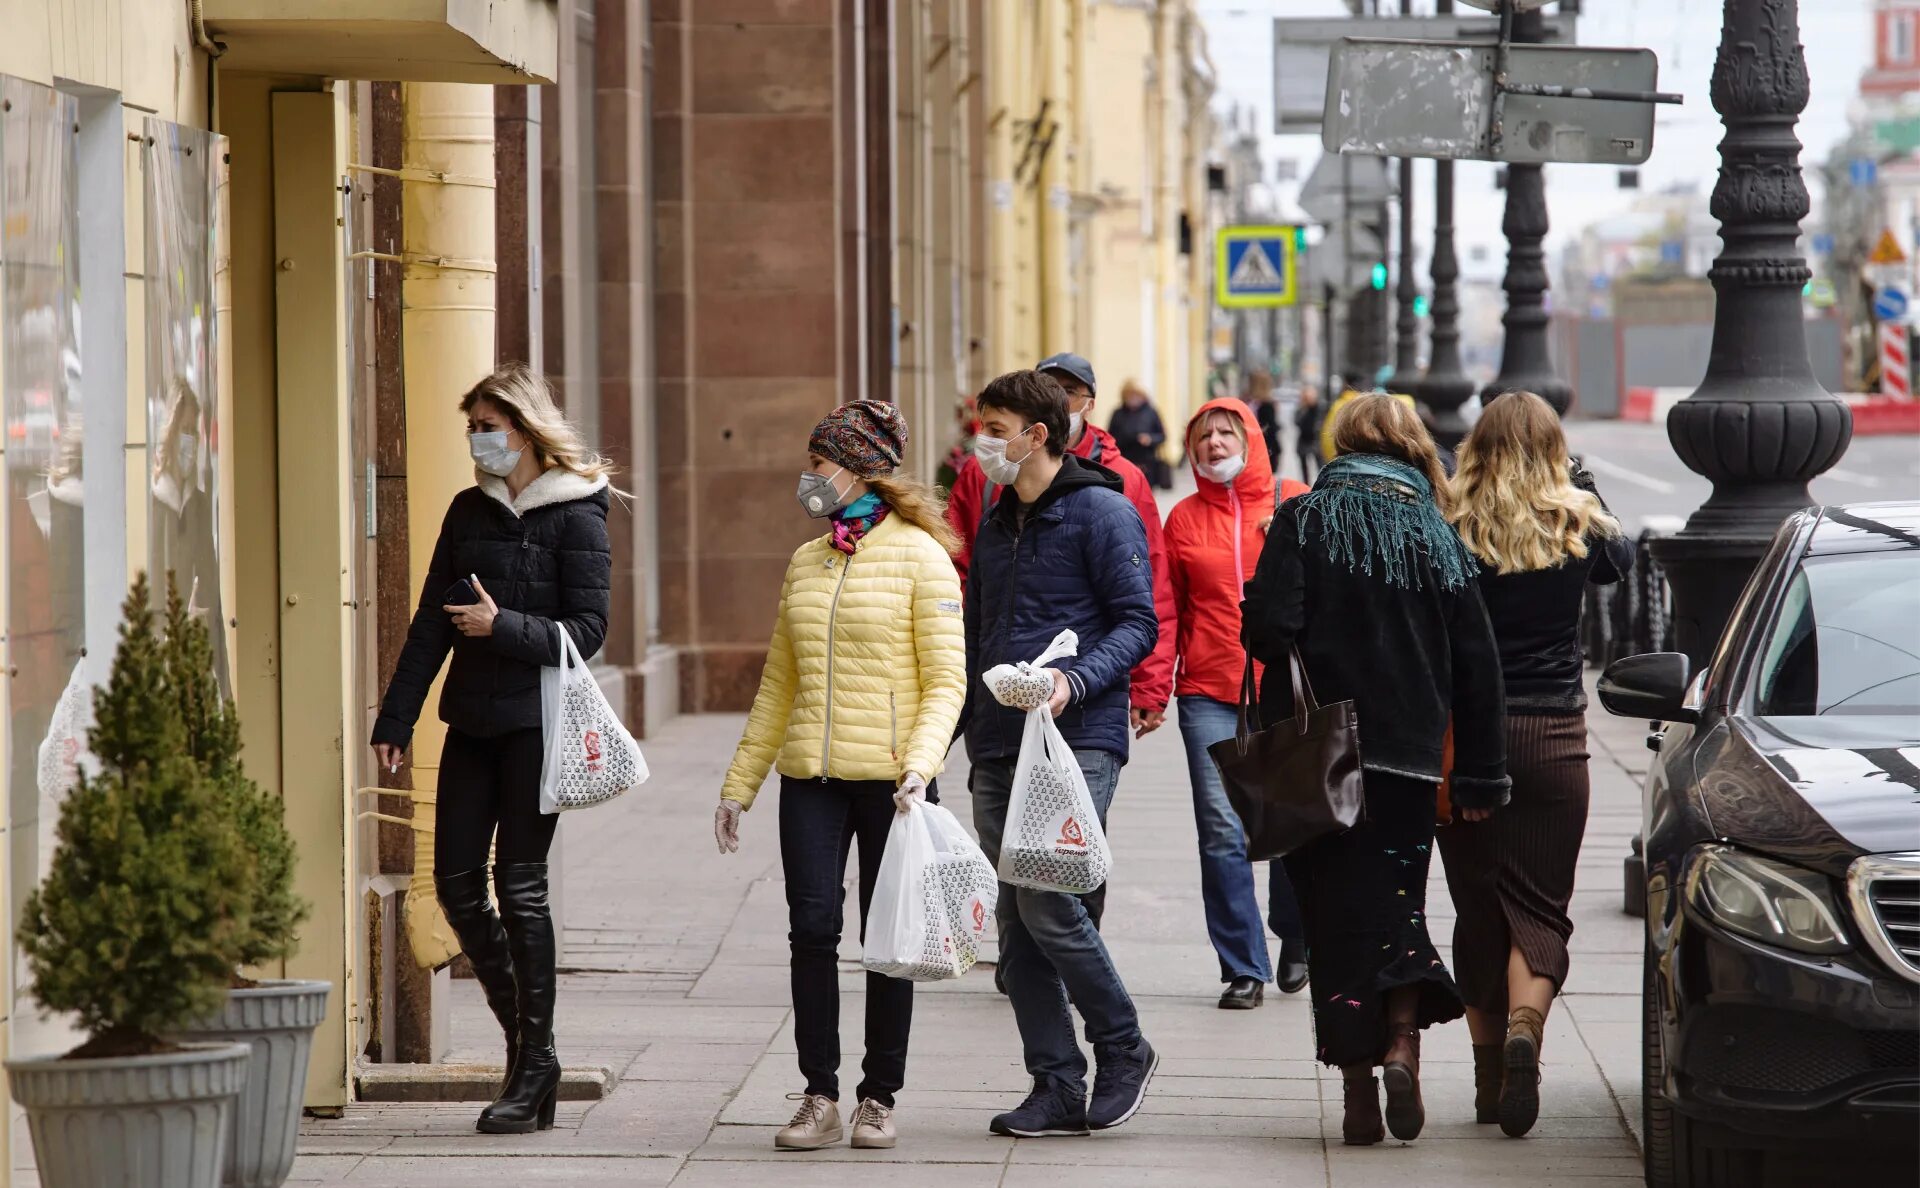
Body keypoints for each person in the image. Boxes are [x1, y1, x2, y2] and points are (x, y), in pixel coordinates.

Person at [1241, 393, 1509, 1148]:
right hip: (1409, 760)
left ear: (1343, 441)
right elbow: (1477, 668)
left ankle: (1358, 1091)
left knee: (1330, 916)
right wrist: (1482, 777)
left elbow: (1270, 632)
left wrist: (1261, 601)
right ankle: (1402, 1045)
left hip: (1319, 755)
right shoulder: (1436, 532)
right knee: (1399, 904)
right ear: (1413, 444)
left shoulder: (1303, 518)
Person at [713, 400, 967, 1153]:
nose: (808, 477)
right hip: (811, 781)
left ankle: (877, 1096)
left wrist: (921, 767)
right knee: (812, 931)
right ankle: (818, 1093)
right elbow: (777, 686)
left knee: (886, 940)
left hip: (893, 783)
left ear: (860, 468)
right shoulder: (808, 561)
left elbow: (944, 681)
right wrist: (739, 785)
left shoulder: (922, 556)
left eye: (819, 463)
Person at [371, 363, 614, 1135]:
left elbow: (589, 631)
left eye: (488, 426)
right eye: (471, 427)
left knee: (521, 888)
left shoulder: (578, 515)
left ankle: (533, 1062)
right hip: (470, 721)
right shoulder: (466, 510)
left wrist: (502, 625)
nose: (479, 441)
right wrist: (395, 719)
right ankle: (532, 1051)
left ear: (526, 429)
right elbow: (430, 622)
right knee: (453, 886)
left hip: (537, 726)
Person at [964, 369, 1160, 1138]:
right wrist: (927, 747)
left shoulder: (1101, 512)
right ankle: (1054, 1084)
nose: (982, 444)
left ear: (1036, 435)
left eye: (994, 428)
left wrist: (1072, 683)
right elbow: (978, 638)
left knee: (1049, 899)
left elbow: (1136, 623)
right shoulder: (993, 517)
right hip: (998, 743)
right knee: (1016, 936)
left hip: (1077, 738)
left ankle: (1122, 1044)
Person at [1438, 391, 1632, 1139]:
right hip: (1555, 738)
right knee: (1541, 907)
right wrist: (1577, 476)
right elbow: (1619, 565)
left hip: (1470, 744)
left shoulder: (1452, 523)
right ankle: (1528, 1023)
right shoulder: (1576, 518)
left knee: (1480, 909)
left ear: (1476, 445)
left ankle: (1491, 1084)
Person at [946, 353, 1176, 751]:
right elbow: (966, 601)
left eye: (1069, 391)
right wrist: (947, 725)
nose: (986, 441)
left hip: (1079, 725)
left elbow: (1147, 600)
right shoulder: (990, 505)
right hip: (996, 733)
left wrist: (1148, 685)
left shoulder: (1116, 494)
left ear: (1089, 403)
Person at [1163, 398, 1312, 1011]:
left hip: (1282, 688)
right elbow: (1166, 610)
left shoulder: (1294, 501)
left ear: (1250, 439)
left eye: (1226, 432)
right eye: (1203, 436)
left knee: (1291, 825)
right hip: (1209, 691)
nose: (1214, 443)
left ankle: (1297, 935)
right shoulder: (1184, 519)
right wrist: (1153, 688)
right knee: (1222, 833)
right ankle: (1242, 966)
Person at [1107, 380, 1170, 488]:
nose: (1133, 398)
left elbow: (1162, 436)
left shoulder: (1151, 412)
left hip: (1146, 464)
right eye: (1130, 394)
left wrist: (1150, 439)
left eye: (1136, 394)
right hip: (1124, 462)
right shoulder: (1117, 414)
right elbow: (1109, 438)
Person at [1291, 386, 1324, 482]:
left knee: (1320, 466)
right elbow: (1296, 422)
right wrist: (1303, 408)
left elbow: (1321, 423)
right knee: (1304, 467)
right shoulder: (1302, 409)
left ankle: (1322, 484)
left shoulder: (1319, 408)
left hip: (1315, 441)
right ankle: (1306, 484)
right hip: (1303, 441)